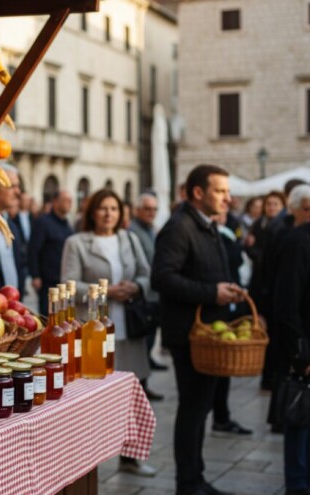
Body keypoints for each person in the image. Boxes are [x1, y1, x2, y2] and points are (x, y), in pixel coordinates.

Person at [152, 164, 246, 495]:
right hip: (190, 336)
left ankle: (196, 478)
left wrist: (226, 289)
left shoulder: (206, 223)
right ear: (197, 192)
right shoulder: (179, 227)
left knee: (201, 407)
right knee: (193, 408)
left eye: (227, 191)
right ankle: (188, 483)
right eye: (220, 191)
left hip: (209, 333)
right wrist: (211, 293)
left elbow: (206, 271)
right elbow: (162, 278)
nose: (227, 198)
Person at [60, 189, 159, 477]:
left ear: (121, 213)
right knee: (90, 396)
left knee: (131, 393)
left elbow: (146, 274)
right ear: (92, 212)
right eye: (103, 208)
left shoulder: (129, 239)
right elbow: (68, 284)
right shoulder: (77, 243)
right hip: (93, 330)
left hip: (128, 325)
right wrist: (105, 291)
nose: (108, 214)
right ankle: (82, 460)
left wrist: (135, 287)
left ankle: (130, 457)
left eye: (114, 208)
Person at [264, 185, 310, 428]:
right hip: (297, 336)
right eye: (307, 209)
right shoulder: (294, 239)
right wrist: (300, 351)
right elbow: (286, 300)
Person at [272, 215, 310, 495]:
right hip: (304, 349)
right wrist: (301, 355)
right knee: (301, 416)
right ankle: (297, 485)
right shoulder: (299, 241)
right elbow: (286, 305)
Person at [207, 212, 253, 438]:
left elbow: (237, 259)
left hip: (229, 303)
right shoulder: (212, 235)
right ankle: (220, 416)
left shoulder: (225, 232)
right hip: (214, 308)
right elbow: (234, 257)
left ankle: (222, 415)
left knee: (223, 369)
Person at [130, 192, 167, 373]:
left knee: (152, 333)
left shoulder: (151, 229)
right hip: (142, 292)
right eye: (147, 209)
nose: (151, 213)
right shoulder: (132, 231)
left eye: (154, 209)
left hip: (154, 290)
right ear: (137, 210)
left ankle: (147, 365)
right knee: (143, 336)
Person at [29, 190, 74, 313]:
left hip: (63, 280)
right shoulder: (43, 222)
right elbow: (33, 249)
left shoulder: (67, 225)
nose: (69, 203)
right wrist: (35, 275)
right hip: (48, 282)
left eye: (70, 200)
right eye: (66, 200)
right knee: (49, 316)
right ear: (55, 202)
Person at [0, 163, 25, 296]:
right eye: (12, 186)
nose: (18, 192)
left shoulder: (12, 227)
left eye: (18, 186)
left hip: (13, 302)